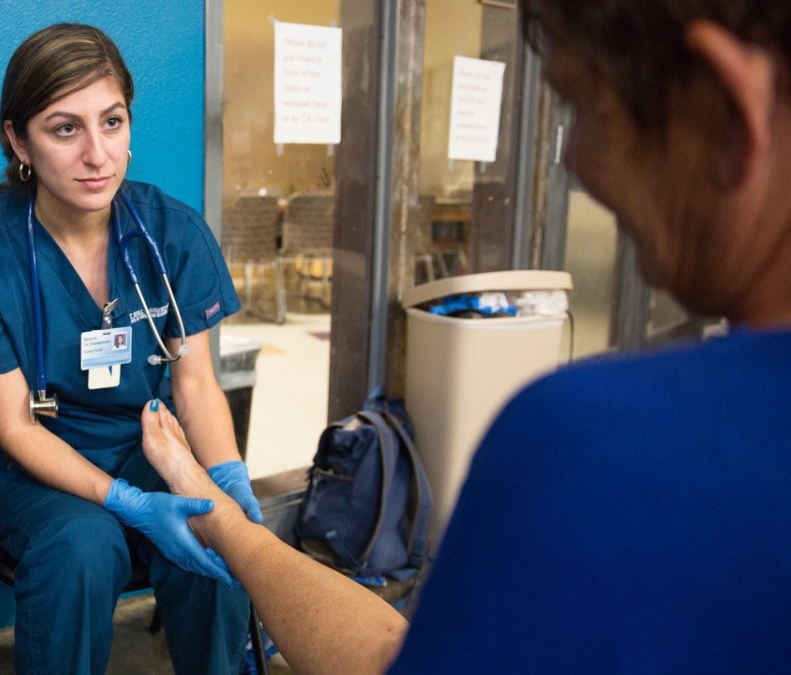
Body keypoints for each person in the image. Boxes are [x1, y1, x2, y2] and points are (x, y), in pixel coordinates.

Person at [137, 1, 791, 674]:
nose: (573, 159)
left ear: (728, 110)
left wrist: (222, 517)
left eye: (584, 108)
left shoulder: (601, 442)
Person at [0, 23, 256, 675]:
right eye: (65, 129)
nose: (97, 154)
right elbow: (15, 424)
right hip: (28, 458)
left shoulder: (171, 233)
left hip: (146, 437)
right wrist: (126, 500)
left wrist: (229, 483)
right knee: (82, 545)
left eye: (111, 122)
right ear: (17, 140)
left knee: (212, 523)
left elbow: (194, 382)